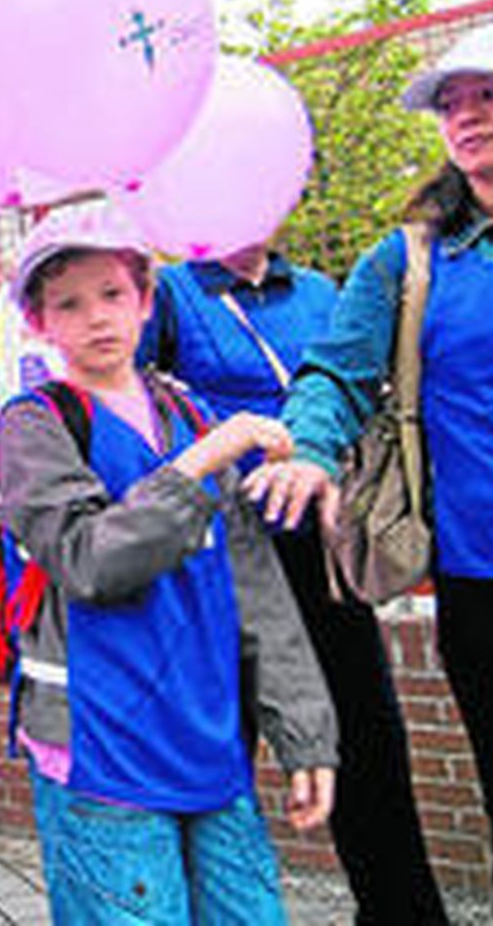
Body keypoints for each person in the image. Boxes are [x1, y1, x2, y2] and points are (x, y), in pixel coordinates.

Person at [248, 20, 493, 926]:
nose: (465, 115)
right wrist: (308, 449)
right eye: (450, 103)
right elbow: (335, 370)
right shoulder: (413, 258)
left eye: (490, 94)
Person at [0, 202, 338, 924]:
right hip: (100, 751)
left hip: (209, 740)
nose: (96, 318)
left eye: (114, 294)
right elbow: (90, 561)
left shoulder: (187, 414)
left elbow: (258, 592)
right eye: (68, 303)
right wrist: (205, 463)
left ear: (148, 300)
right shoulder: (38, 424)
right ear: (39, 321)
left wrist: (306, 734)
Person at [142, 240, 448, 922]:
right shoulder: (170, 294)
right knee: (221, 755)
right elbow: (135, 415)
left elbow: (356, 391)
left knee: (367, 744)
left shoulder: (318, 290)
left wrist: (334, 465)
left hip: (318, 556)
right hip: (221, 564)